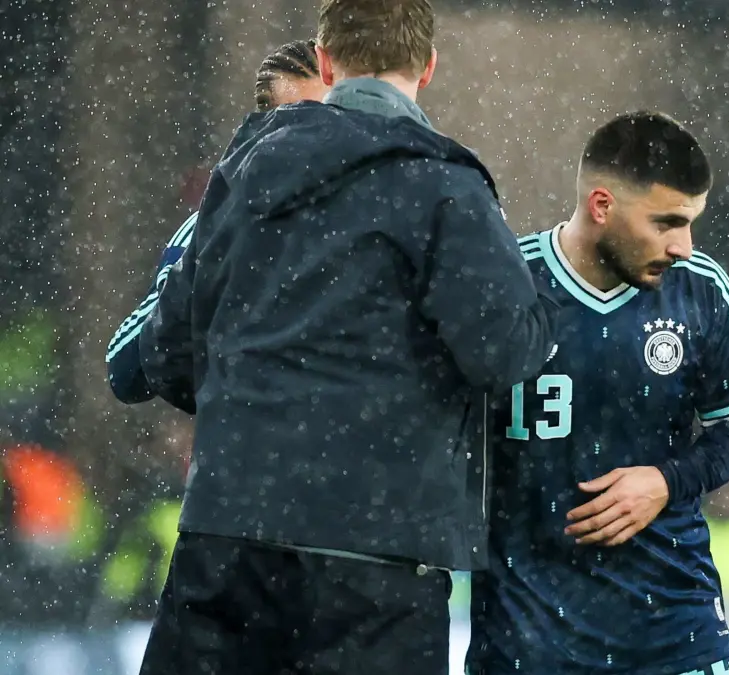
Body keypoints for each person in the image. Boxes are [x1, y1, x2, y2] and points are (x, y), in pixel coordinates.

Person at [135, 1, 558, 673]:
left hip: (226, 541)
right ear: (428, 67)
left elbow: (164, 354)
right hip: (377, 556)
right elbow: (505, 352)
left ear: (326, 63)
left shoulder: (242, 173)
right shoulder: (443, 186)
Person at [468, 112, 729, 675]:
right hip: (525, 639)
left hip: (674, 632)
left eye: (691, 222)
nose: (683, 245)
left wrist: (666, 480)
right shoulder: (506, 287)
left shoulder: (702, 292)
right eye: (667, 223)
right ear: (602, 206)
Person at [105, 38, 329, 405]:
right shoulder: (209, 225)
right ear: (264, 130)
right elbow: (128, 369)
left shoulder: (381, 218)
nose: (311, 141)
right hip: (248, 453)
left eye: (323, 122)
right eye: (295, 122)